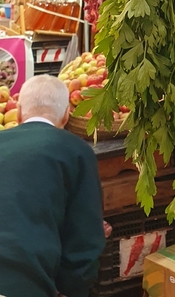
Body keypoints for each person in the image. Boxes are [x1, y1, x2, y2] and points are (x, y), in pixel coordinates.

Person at [0, 74, 106, 297]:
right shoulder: (77, 151)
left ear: (18, 112)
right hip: (24, 285)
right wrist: (72, 289)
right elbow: (84, 241)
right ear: (67, 114)